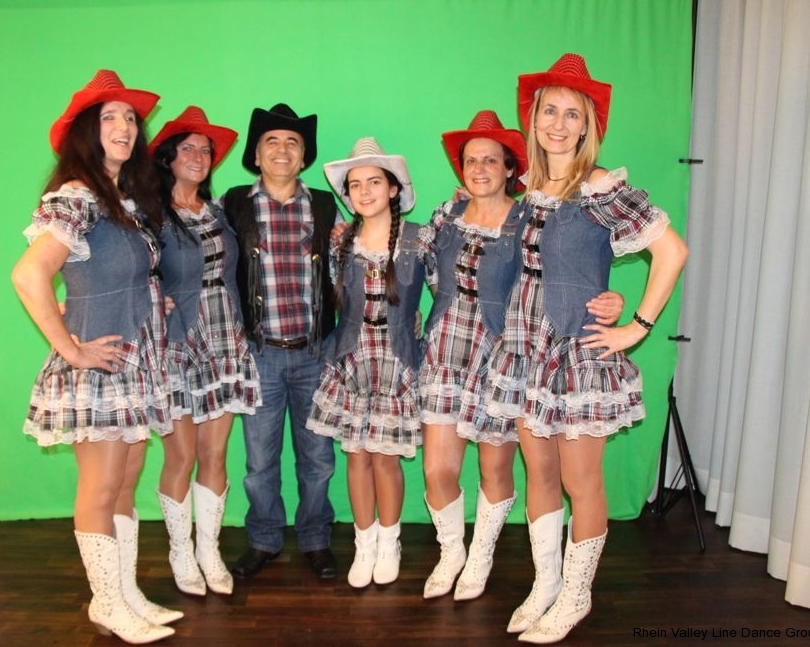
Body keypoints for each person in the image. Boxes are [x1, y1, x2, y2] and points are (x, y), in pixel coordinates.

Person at [488, 54, 688, 643]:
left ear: (587, 126)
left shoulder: (600, 188)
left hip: (577, 355)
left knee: (582, 481)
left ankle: (577, 594)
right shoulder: (526, 190)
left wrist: (636, 325)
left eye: (571, 114)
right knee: (540, 473)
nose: (558, 123)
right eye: (549, 110)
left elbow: (672, 251)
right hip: (526, 354)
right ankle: (546, 584)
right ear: (533, 118)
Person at [419, 111, 624, 601]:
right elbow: (412, 265)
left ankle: (481, 557)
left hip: (504, 355)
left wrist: (610, 299)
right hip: (447, 350)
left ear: (511, 168)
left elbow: (561, 270)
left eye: (491, 159)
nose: (480, 168)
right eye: (471, 160)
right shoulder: (445, 216)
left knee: (496, 469)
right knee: (437, 471)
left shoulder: (527, 215)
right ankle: (452, 552)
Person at [12, 70, 182, 643]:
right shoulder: (78, 196)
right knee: (101, 487)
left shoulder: (122, 201)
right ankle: (106, 603)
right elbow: (29, 275)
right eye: (110, 117)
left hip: (134, 360)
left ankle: (125, 594)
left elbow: (117, 272)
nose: (124, 126)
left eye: (130, 118)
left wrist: (154, 296)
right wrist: (69, 348)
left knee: (126, 481)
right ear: (87, 132)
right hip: (101, 365)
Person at [222, 103, 340, 580]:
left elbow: (354, 258)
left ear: (304, 156)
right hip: (260, 353)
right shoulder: (234, 203)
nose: (282, 149)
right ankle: (264, 540)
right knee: (259, 462)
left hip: (315, 353)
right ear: (256, 154)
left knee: (318, 459)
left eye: (293, 142)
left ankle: (315, 539)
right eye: (271, 141)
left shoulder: (326, 205)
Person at [148, 106, 260, 596]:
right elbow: (133, 267)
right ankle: (180, 551)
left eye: (206, 150)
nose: (198, 156)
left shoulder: (219, 212)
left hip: (225, 337)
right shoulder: (150, 214)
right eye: (188, 148)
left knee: (215, 453)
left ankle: (209, 550)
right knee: (181, 455)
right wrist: (155, 296)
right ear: (169, 158)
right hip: (178, 342)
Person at [306, 138, 426, 588]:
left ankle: (390, 541)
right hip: (352, 358)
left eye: (374, 182)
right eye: (355, 185)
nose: (364, 191)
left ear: (393, 188)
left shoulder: (418, 239)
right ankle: (365, 542)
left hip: (396, 360)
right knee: (356, 455)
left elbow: (447, 292)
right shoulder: (341, 241)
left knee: (385, 458)